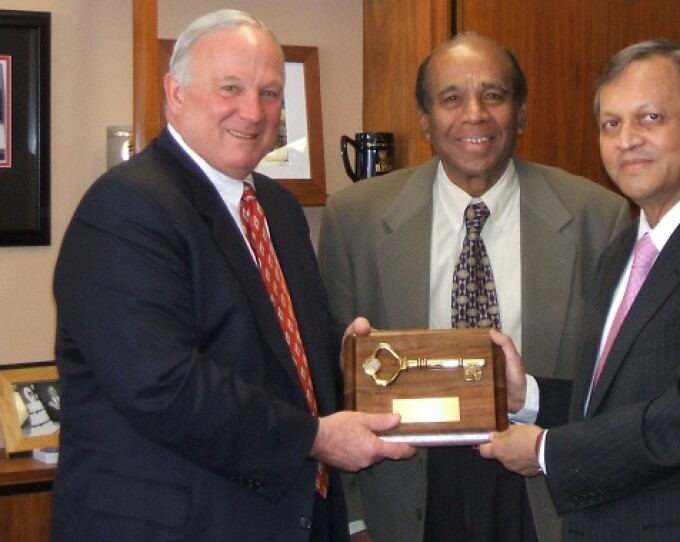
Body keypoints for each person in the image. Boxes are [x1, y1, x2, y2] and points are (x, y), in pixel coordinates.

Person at [51, 10, 412, 542]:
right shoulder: (125, 207)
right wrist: (313, 438)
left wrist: (342, 358)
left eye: (270, 93)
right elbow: (165, 386)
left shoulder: (277, 209)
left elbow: (272, 347)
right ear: (175, 93)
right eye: (230, 88)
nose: (253, 111)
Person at [479, 39, 680, 541]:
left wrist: (547, 450)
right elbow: (620, 401)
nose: (626, 139)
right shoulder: (623, 250)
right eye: (611, 123)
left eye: (650, 118)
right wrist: (530, 398)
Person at [318, 32, 630, 542]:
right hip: (408, 486)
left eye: (493, 95)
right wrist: (353, 517)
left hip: (542, 488)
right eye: (451, 99)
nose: (474, 115)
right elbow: (331, 378)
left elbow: (616, 387)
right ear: (424, 119)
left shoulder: (599, 217)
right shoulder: (355, 219)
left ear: (521, 113)